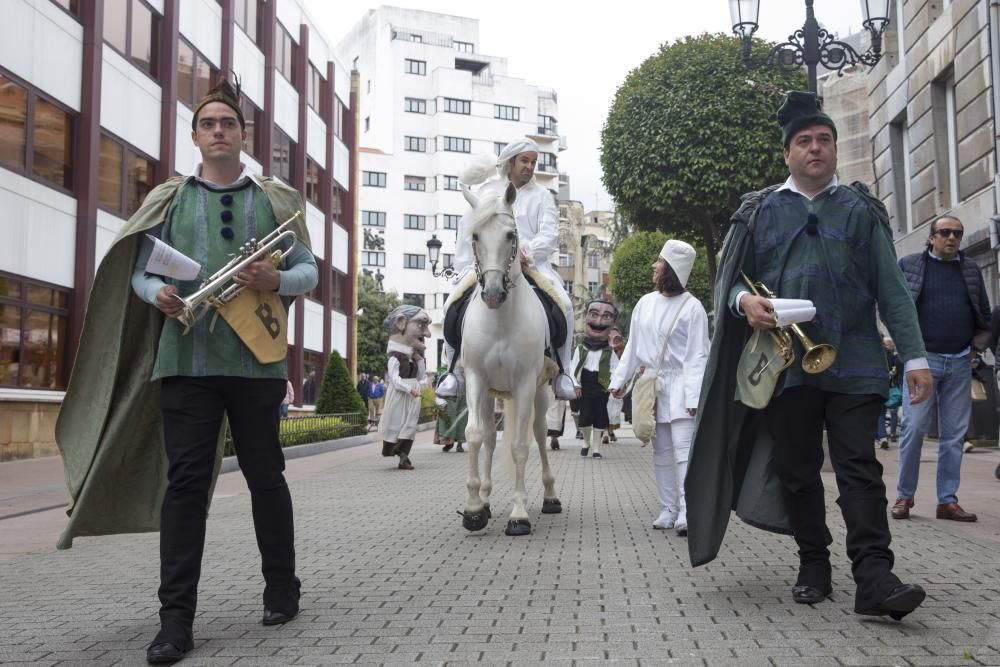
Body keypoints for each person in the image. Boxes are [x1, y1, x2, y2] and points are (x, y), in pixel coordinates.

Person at [55, 78, 317, 664]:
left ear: (242, 136)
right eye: (208, 124)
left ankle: (282, 588)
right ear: (196, 136)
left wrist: (275, 280)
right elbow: (141, 273)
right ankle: (175, 621)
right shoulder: (171, 200)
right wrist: (160, 296)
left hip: (255, 366)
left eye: (228, 123)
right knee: (186, 487)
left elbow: (308, 272)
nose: (218, 131)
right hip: (186, 362)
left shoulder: (275, 200)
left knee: (265, 476)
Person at [686, 91, 933, 620]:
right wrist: (742, 301)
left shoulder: (861, 209)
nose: (815, 148)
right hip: (786, 366)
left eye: (824, 140)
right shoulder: (760, 210)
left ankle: (874, 576)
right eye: (804, 141)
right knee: (798, 469)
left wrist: (914, 357)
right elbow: (729, 286)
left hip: (859, 360)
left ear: (836, 150)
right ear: (787, 154)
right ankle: (813, 565)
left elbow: (891, 288)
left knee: (859, 469)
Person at [435, 138, 576, 402]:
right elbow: (469, 228)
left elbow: (549, 234)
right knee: (450, 305)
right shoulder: (488, 190)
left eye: (533, 162)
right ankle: (453, 371)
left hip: (531, 265)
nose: (530, 166)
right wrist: (465, 267)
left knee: (566, 305)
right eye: (525, 160)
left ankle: (564, 373)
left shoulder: (543, 196)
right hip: (489, 264)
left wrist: (527, 252)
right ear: (511, 162)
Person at [893, 215, 991, 522]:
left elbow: (985, 317)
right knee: (913, 427)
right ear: (931, 237)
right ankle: (904, 497)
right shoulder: (909, 265)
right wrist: (906, 351)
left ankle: (947, 501)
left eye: (957, 234)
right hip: (922, 361)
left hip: (960, 360)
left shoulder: (971, 270)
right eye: (945, 232)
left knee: (954, 435)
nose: (952, 238)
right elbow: (895, 308)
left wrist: (975, 349)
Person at [609, 241, 709, 536]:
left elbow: (697, 356)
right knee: (661, 451)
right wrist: (619, 381)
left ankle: (688, 511)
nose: (654, 266)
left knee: (684, 452)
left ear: (672, 269)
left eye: (660, 261)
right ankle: (668, 508)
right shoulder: (645, 303)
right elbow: (634, 348)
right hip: (652, 387)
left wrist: (693, 396)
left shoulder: (693, 308)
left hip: (680, 389)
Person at [379, 305, 431, 470]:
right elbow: (394, 380)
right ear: (401, 323)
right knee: (397, 424)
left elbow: (420, 377)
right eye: (421, 325)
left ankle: (404, 455)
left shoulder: (412, 358)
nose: (427, 334)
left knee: (409, 426)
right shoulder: (394, 358)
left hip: (412, 396)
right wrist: (410, 389)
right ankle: (399, 453)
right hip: (401, 396)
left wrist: (420, 361)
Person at [571, 300, 619, 458]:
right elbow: (574, 368)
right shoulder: (580, 348)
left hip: (602, 386)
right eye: (593, 315)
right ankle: (586, 442)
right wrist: (576, 385)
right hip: (585, 384)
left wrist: (614, 385)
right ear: (586, 318)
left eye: (606, 317)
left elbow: (616, 369)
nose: (599, 322)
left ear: (612, 324)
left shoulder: (609, 351)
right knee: (585, 417)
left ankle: (597, 448)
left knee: (600, 416)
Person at [876, 337, 903, 450]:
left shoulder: (874, 351)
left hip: (874, 385)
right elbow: (894, 369)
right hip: (887, 385)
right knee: (889, 412)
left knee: (879, 413)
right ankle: (886, 436)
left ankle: (881, 437)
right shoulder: (889, 353)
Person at [605, 327, 626, 444]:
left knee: (612, 406)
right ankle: (606, 432)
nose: (613, 344)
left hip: (614, 379)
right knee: (605, 406)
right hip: (606, 379)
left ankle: (609, 431)